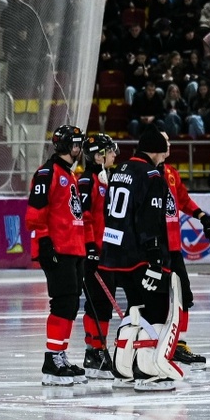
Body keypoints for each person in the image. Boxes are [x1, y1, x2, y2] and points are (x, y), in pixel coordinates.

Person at [99, 129, 178, 391]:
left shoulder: (119, 171)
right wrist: (155, 258)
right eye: (163, 150)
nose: (165, 155)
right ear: (155, 150)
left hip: (115, 254)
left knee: (134, 309)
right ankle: (147, 370)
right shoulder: (152, 175)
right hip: (140, 256)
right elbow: (150, 219)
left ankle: (122, 369)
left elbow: (107, 211)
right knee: (155, 311)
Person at [26, 125, 88, 386]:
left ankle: (60, 354)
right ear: (65, 146)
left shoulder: (70, 174)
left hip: (73, 248)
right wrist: (45, 242)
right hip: (57, 249)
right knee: (62, 303)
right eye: (76, 144)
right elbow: (34, 214)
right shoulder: (47, 173)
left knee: (71, 304)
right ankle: (52, 359)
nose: (79, 149)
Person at [161, 148, 210, 367]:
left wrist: (201, 215)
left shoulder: (171, 172)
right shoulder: (143, 172)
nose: (167, 146)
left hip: (173, 246)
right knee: (156, 297)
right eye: (163, 141)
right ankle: (155, 342)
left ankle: (179, 344)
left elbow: (183, 200)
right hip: (153, 246)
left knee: (184, 294)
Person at [77, 133, 118, 380]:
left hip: (106, 252)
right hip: (95, 253)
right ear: (98, 155)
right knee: (97, 302)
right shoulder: (87, 180)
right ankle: (95, 351)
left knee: (103, 303)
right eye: (110, 151)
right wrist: (90, 248)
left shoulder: (104, 179)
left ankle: (96, 350)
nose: (114, 155)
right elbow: (84, 216)